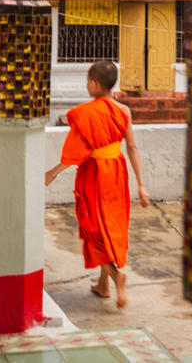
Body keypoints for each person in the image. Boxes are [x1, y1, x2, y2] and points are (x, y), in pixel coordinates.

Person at [45, 59, 150, 308]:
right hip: (117, 172)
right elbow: (132, 147)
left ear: (93, 84)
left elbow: (77, 152)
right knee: (111, 225)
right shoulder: (124, 111)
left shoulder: (86, 114)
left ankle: (114, 276)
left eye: (87, 82)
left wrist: (53, 172)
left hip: (94, 174)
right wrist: (141, 185)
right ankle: (102, 285)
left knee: (93, 226)